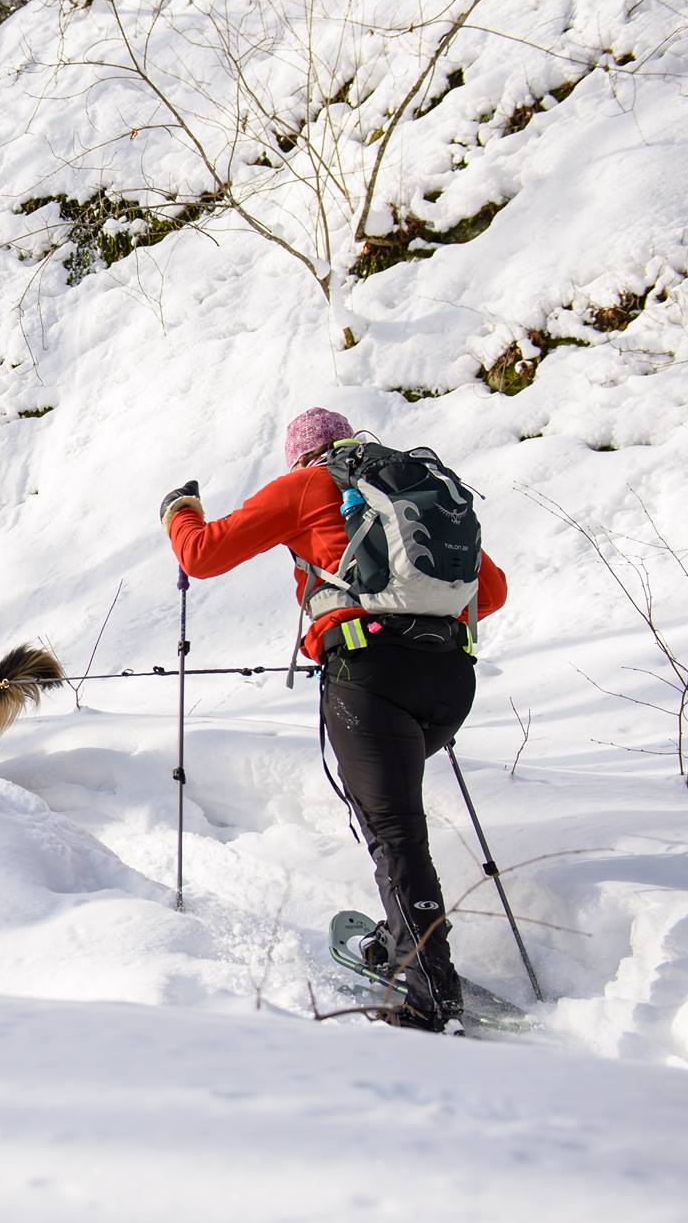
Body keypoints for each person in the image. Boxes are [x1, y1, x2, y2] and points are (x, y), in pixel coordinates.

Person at [158, 408, 507, 1031]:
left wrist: (177, 511)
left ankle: (428, 991)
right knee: (395, 825)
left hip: (369, 678)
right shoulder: (410, 489)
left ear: (300, 455)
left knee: (395, 831)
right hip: (450, 682)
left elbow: (202, 554)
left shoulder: (307, 485)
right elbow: (493, 589)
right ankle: (410, 945)